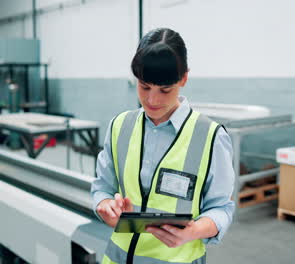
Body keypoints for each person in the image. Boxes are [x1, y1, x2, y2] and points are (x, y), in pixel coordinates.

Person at [91, 27, 235, 264]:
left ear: (184, 79)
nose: (152, 100)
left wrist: (194, 231)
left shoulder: (210, 136)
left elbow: (221, 208)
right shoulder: (120, 126)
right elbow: (102, 187)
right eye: (144, 86)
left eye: (165, 90)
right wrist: (105, 205)